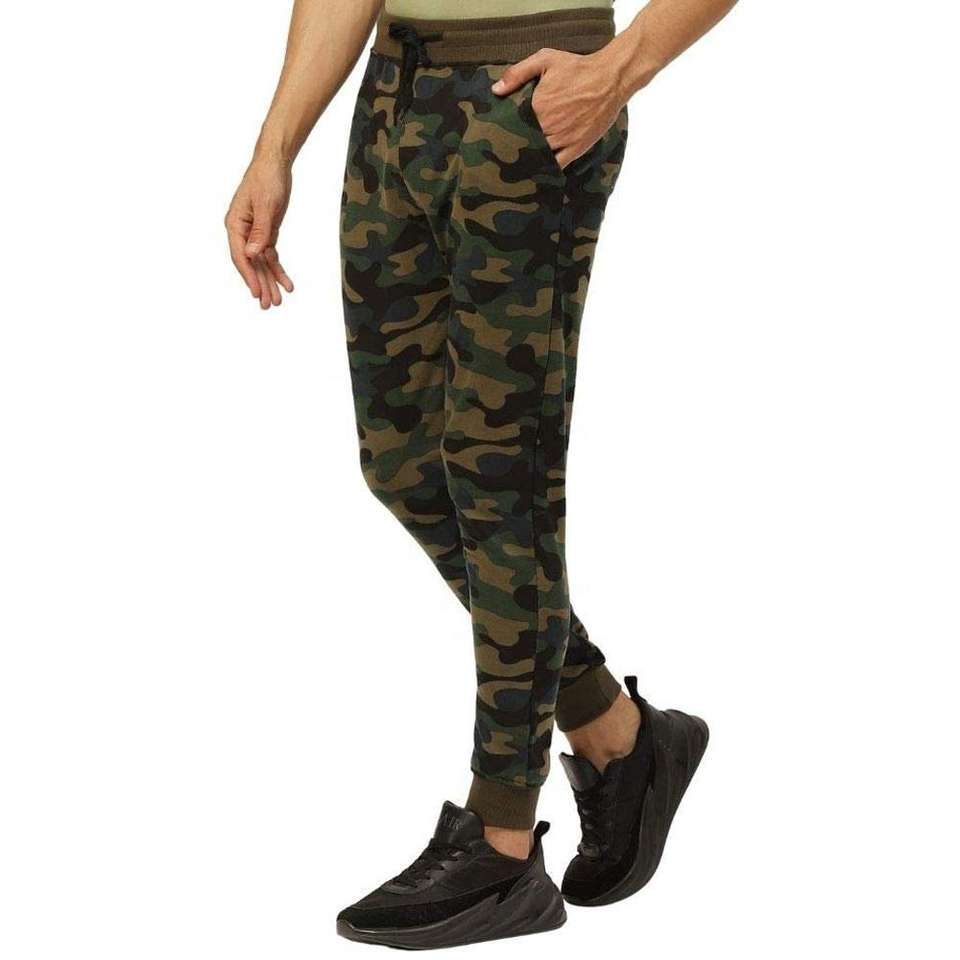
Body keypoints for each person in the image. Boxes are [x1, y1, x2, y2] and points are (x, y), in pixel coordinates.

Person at [226, 0, 736, 948]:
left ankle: (502, 840)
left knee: (504, 476)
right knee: (401, 461)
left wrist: (620, 68)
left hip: (528, 103)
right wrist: (275, 145)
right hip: (391, 101)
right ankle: (615, 731)